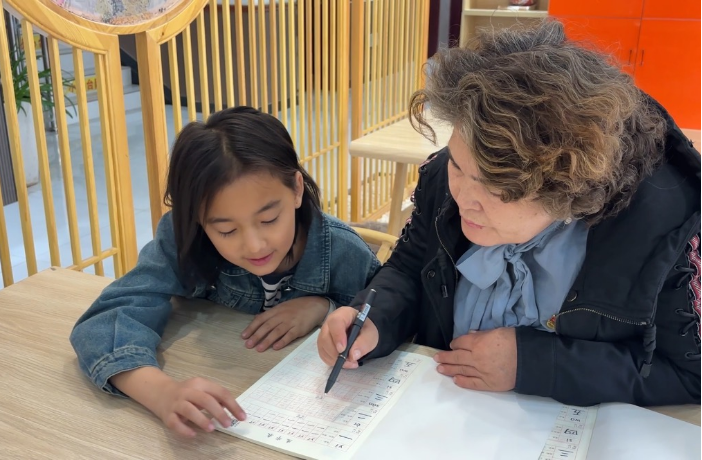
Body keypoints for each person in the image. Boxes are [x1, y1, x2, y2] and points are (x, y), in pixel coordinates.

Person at [318, 20, 701, 407]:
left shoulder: (666, 231)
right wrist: (374, 319)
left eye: (495, 187)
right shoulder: (445, 176)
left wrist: (535, 364)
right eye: (457, 166)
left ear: (567, 187)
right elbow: (409, 268)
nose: (463, 198)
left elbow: (689, 374)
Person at [70, 107, 380, 437]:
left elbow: (389, 321)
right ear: (197, 220)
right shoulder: (184, 240)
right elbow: (106, 321)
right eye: (226, 231)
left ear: (296, 189)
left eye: (269, 220)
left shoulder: (343, 252)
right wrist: (161, 392)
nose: (255, 246)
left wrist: (325, 308)